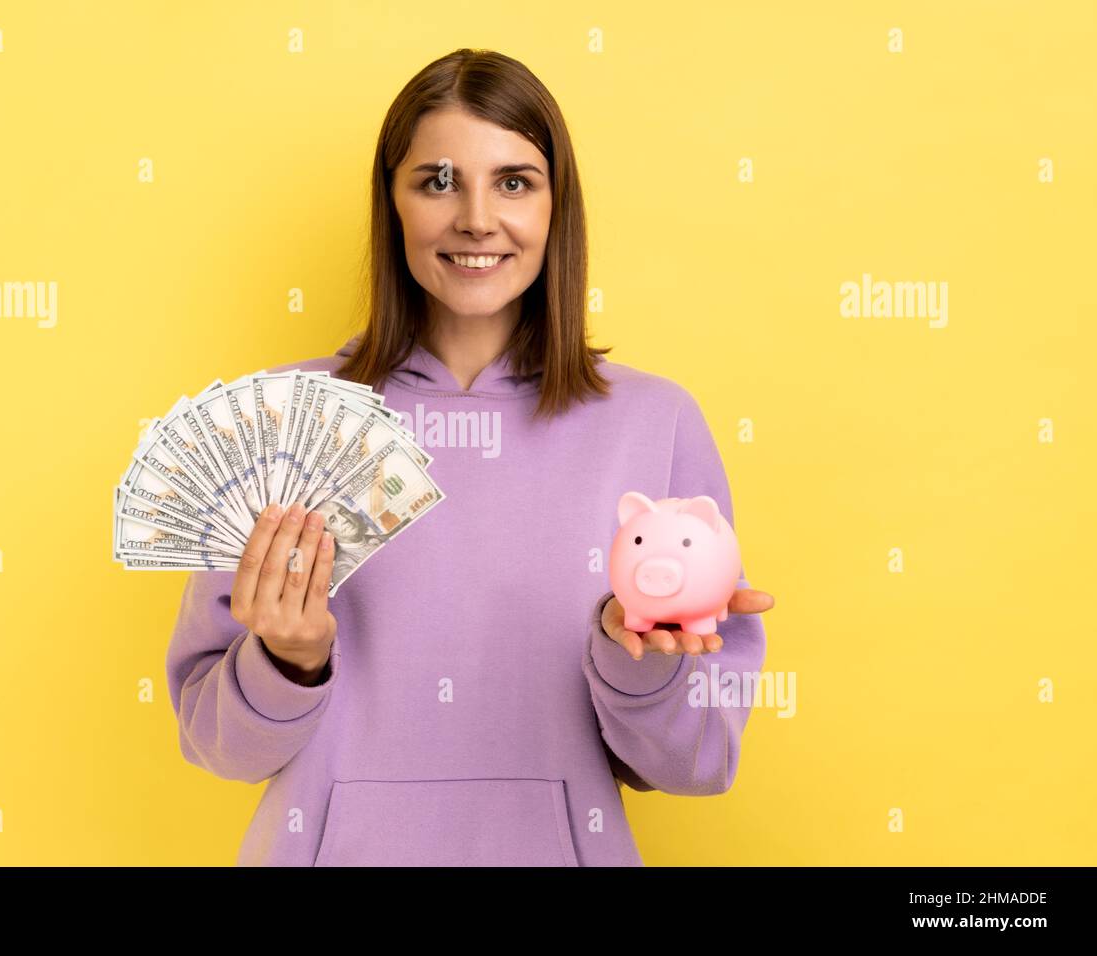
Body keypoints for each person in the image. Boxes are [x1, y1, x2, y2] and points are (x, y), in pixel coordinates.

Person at [165, 48, 774, 866]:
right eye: (438, 181)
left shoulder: (653, 423)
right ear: (393, 204)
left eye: (515, 182)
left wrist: (633, 659)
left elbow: (698, 765)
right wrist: (287, 662)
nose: (478, 218)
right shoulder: (284, 420)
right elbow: (216, 745)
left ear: (558, 206)